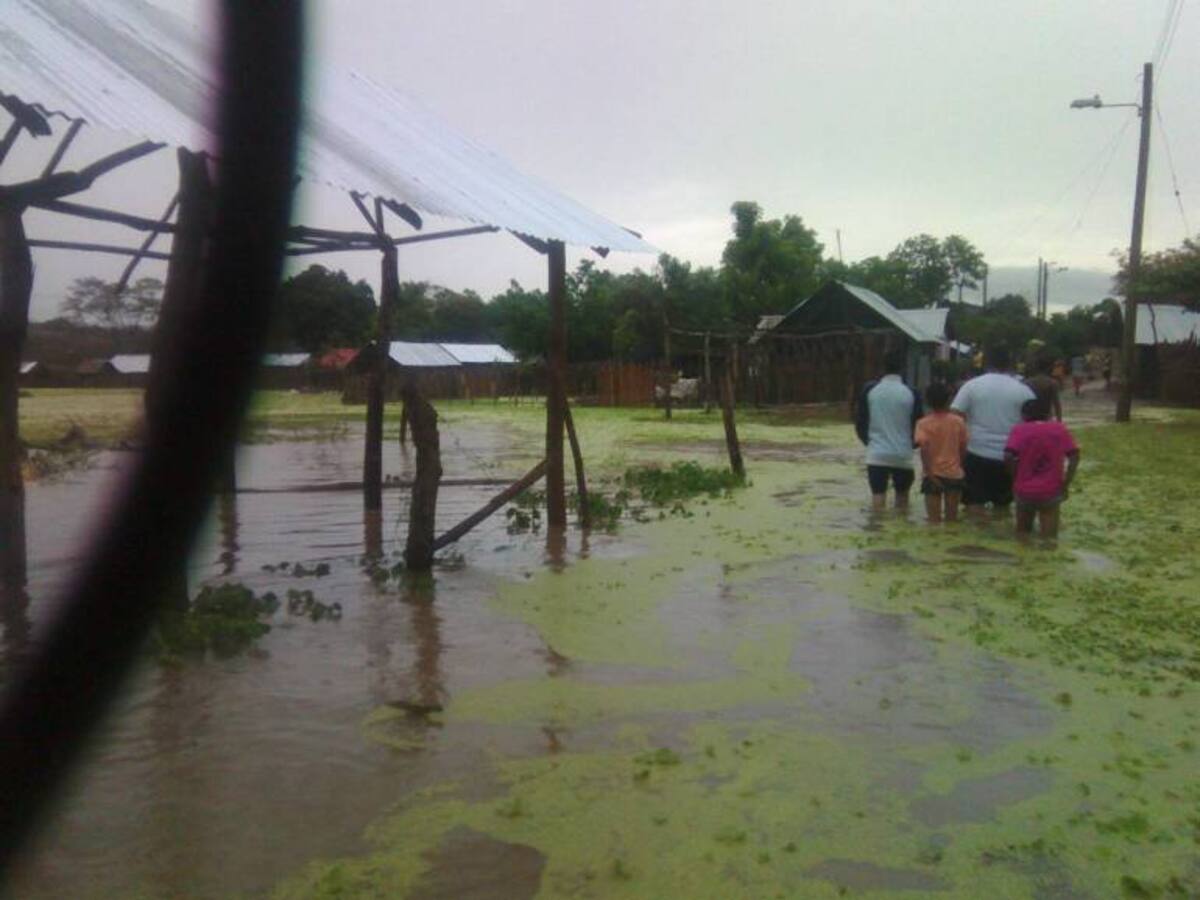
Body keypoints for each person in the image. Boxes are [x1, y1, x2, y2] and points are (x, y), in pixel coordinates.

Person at [950, 346, 1035, 513]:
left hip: (976, 453)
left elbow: (955, 417)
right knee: (1002, 507)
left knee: (974, 504)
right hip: (1009, 457)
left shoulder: (972, 386)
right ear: (1010, 364)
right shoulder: (1024, 390)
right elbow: (1032, 426)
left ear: (985, 362)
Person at [855, 349, 923, 511]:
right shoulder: (912, 393)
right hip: (903, 455)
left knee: (877, 499)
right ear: (902, 368)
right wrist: (910, 446)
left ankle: (877, 533)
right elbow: (919, 426)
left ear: (882, 368)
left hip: (877, 454)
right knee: (902, 500)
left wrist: (871, 443)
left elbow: (860, 423)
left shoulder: (870, 390)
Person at [1004, 397, 1080, 539]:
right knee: (1049, 540)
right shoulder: (1059, 429)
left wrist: (1015, 478)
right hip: (1051, 491)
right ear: (1049, 414)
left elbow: (1008, 456)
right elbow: (1074, 456)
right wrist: (1065, 484)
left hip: (1024, 490)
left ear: (1024, 415)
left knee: (1022, 536)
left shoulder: (1019, 430)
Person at [915, 381, 969, 522]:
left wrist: (929, 472)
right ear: (949, 399)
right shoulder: (959, 422)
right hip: (954, 474)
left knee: (933, 521)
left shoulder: (923, 423)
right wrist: (959, 464)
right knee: (952, 520)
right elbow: (963, 448)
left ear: (927, 401)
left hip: (933, 475)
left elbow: (924, 449)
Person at [1023, 356, 1062, 421]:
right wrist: (1059, 422)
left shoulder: (1027, 382)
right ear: (1050, 368)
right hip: (1046, 418)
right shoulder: (1052, 383)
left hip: (1029, 418)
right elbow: (1057, 405)